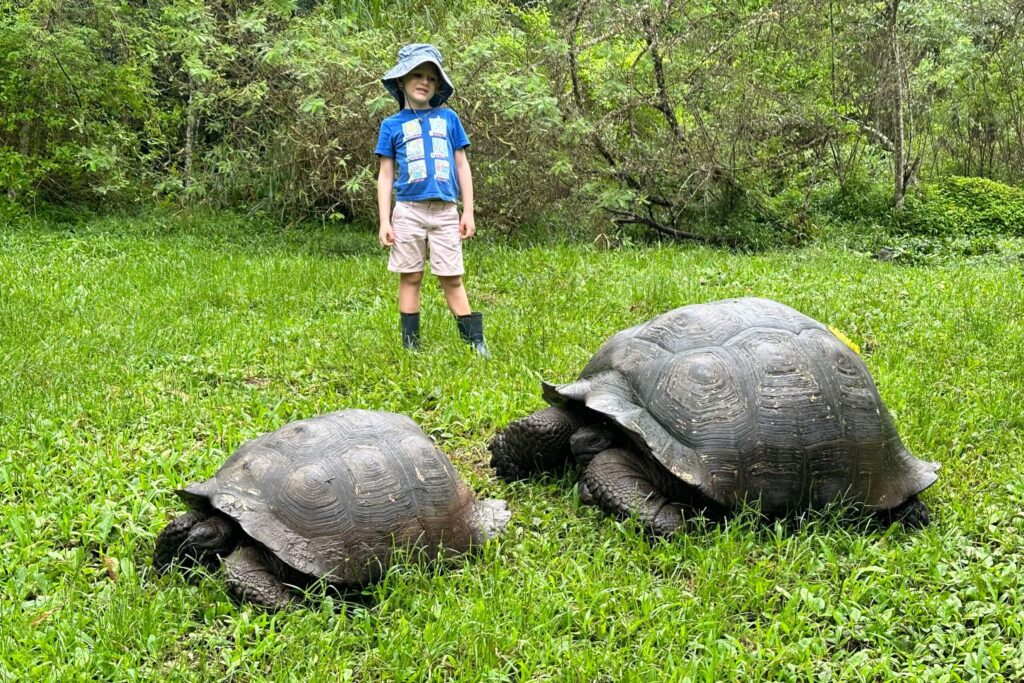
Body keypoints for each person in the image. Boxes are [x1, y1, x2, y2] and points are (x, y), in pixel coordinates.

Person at [375, 43, 489, 356]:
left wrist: (468, 211)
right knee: (411, 276)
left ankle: (475, 343)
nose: (424, 82)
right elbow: (385, 174)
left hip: (445, 211)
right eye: (417, 75)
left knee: (452, 277)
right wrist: (385, 220)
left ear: (438, 86)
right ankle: (411, 345)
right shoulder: (391, 125)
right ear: (402, 80)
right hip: (408, 211)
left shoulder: (449, 119)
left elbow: (462, 166)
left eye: (432, 77)